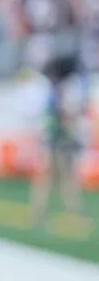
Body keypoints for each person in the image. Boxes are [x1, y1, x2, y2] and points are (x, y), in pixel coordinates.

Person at [30, 55, 84, 229]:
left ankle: (39, 214)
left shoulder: (49, 90)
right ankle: (74, 214)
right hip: (60, 140)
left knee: (47, 178)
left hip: (50, 139)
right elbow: (65, 116)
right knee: (66, 177)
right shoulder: (60, 91)